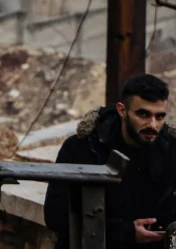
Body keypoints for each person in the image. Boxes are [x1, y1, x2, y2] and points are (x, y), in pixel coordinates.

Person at [45, 74, 176, 247]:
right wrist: (126, 232)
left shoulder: (170, 149)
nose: (152, 125)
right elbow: (55, 215)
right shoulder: (83, 147)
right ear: (122, 110)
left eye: (159, 117)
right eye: (143, 114)